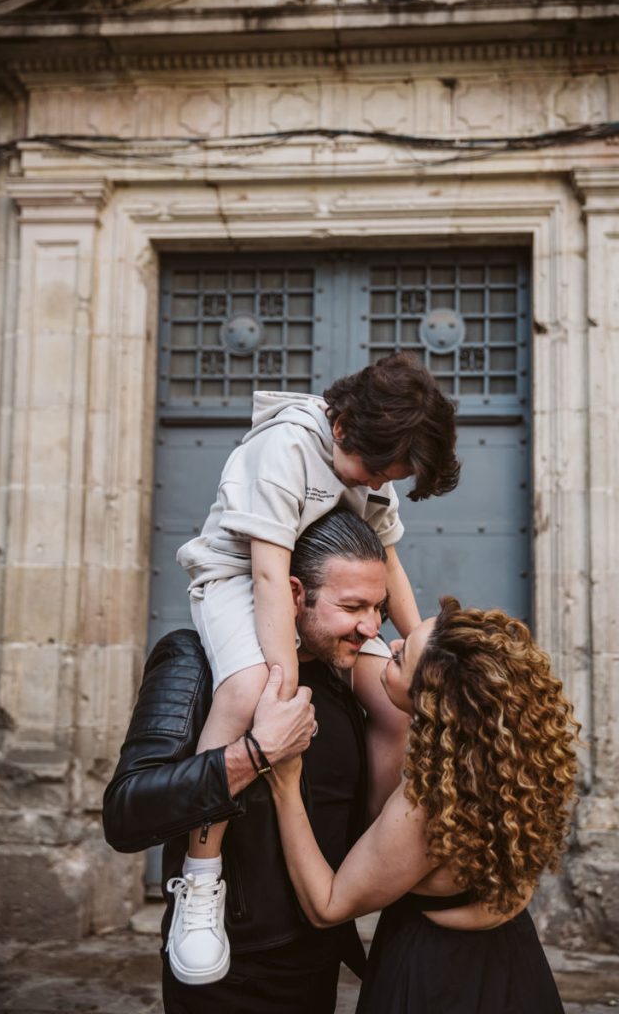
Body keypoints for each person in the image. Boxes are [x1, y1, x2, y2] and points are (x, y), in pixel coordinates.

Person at [171, 351, 460, 982]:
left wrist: (428, 657)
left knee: (392, 699)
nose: (380, 482)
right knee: (250, 690)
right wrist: (283, 681)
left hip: (312, 585)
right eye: (377, 469)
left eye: (392, 475)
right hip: (237, 578)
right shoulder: (283, 448)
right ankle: (199, 878)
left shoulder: (373, 466)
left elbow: (390, 564)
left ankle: (366, 853)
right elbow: (270, 572)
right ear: (343, 426)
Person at [104, 509, 416, 1014]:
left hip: (318, 961)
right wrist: (253, 754)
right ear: (294, 594)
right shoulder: (196, 662)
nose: (371, 626)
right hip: (227, 971)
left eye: (379, 606)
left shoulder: (350, 675)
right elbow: (127, 814)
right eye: (353, 606)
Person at [268, 596, 580, 1014]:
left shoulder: (429, 806)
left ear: (433, 705)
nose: (390, 646)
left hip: (436, 978)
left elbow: (328, 906)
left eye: (400, 659)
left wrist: (285, 783)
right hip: (511, 960)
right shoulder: (514, 768)